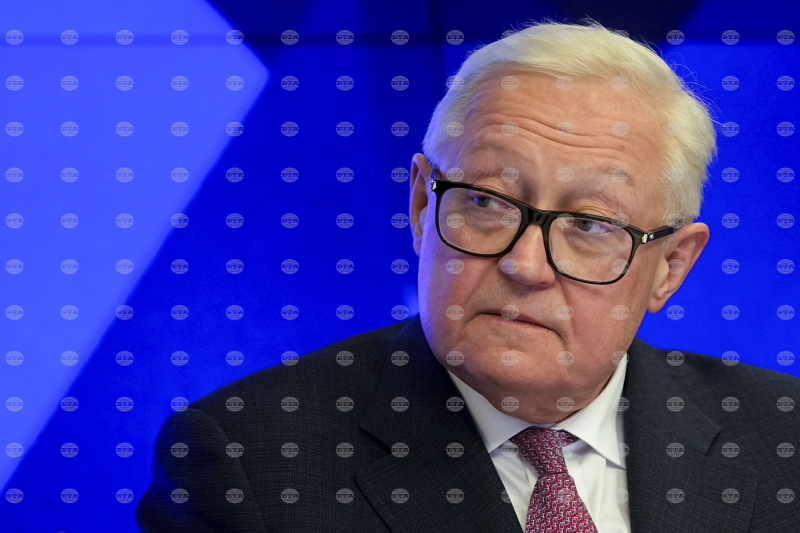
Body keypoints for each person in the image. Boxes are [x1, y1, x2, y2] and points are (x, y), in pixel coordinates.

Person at [136, 20, 800, 533]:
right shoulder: (247, 465)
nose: (525, 265)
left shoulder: (784, 438)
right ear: (421, 205)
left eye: (590, 224)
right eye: (486, 202)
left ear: (671, 266)